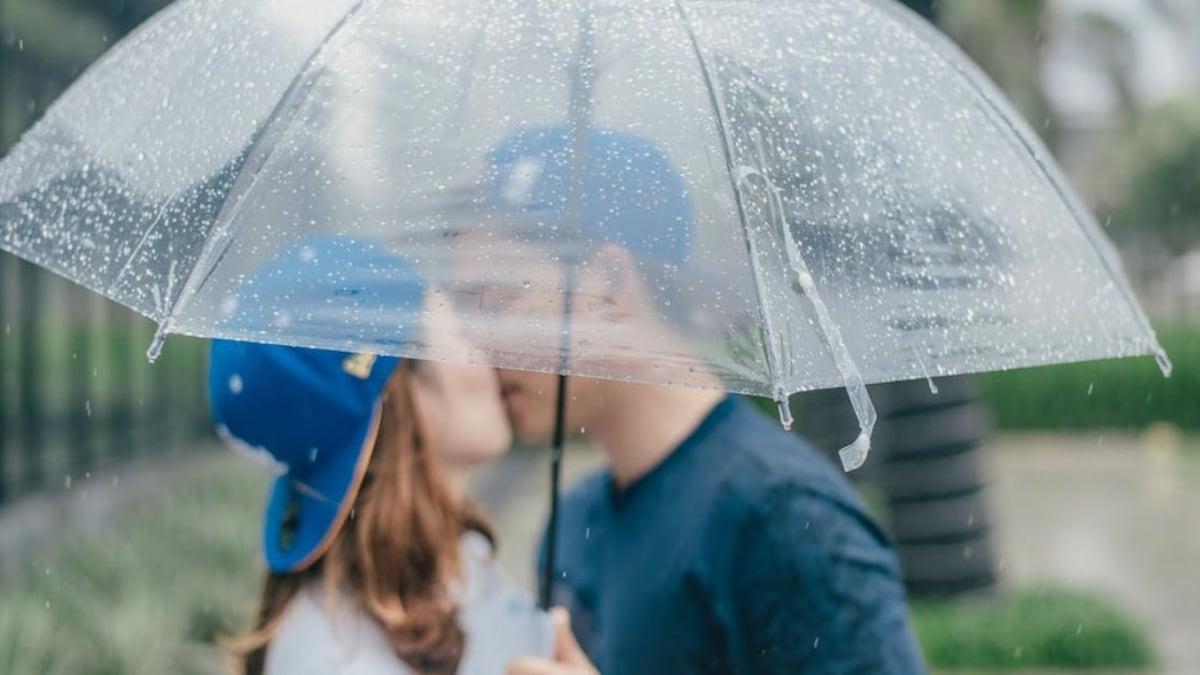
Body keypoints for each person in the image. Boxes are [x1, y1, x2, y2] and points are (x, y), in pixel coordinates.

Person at [456, 126, 928, 674]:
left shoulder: (783, 521)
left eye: (500, 298)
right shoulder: (575, 525)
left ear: (608, 282)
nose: (476, 343)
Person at [208, 236, 553, 675]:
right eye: (462, 331)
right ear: (402, 396)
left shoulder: (458, 561)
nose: (487, 348)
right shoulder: (335, 660)